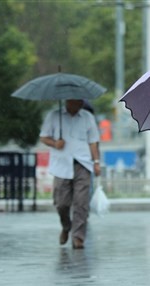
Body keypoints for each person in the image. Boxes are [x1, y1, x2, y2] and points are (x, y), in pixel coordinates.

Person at [40, 99, 101, 249]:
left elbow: (93, 141)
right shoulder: (54, 116)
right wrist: (55, 143)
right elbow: (43, 136)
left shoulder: (87, 117)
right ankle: (66, 226)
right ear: (68, 101)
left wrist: (97, 162)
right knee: (62, 203)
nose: (79, 104)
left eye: (81, 101)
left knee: (81, 203)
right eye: (75, 101)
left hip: (83, 164)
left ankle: (78, 237)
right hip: (61, 165)